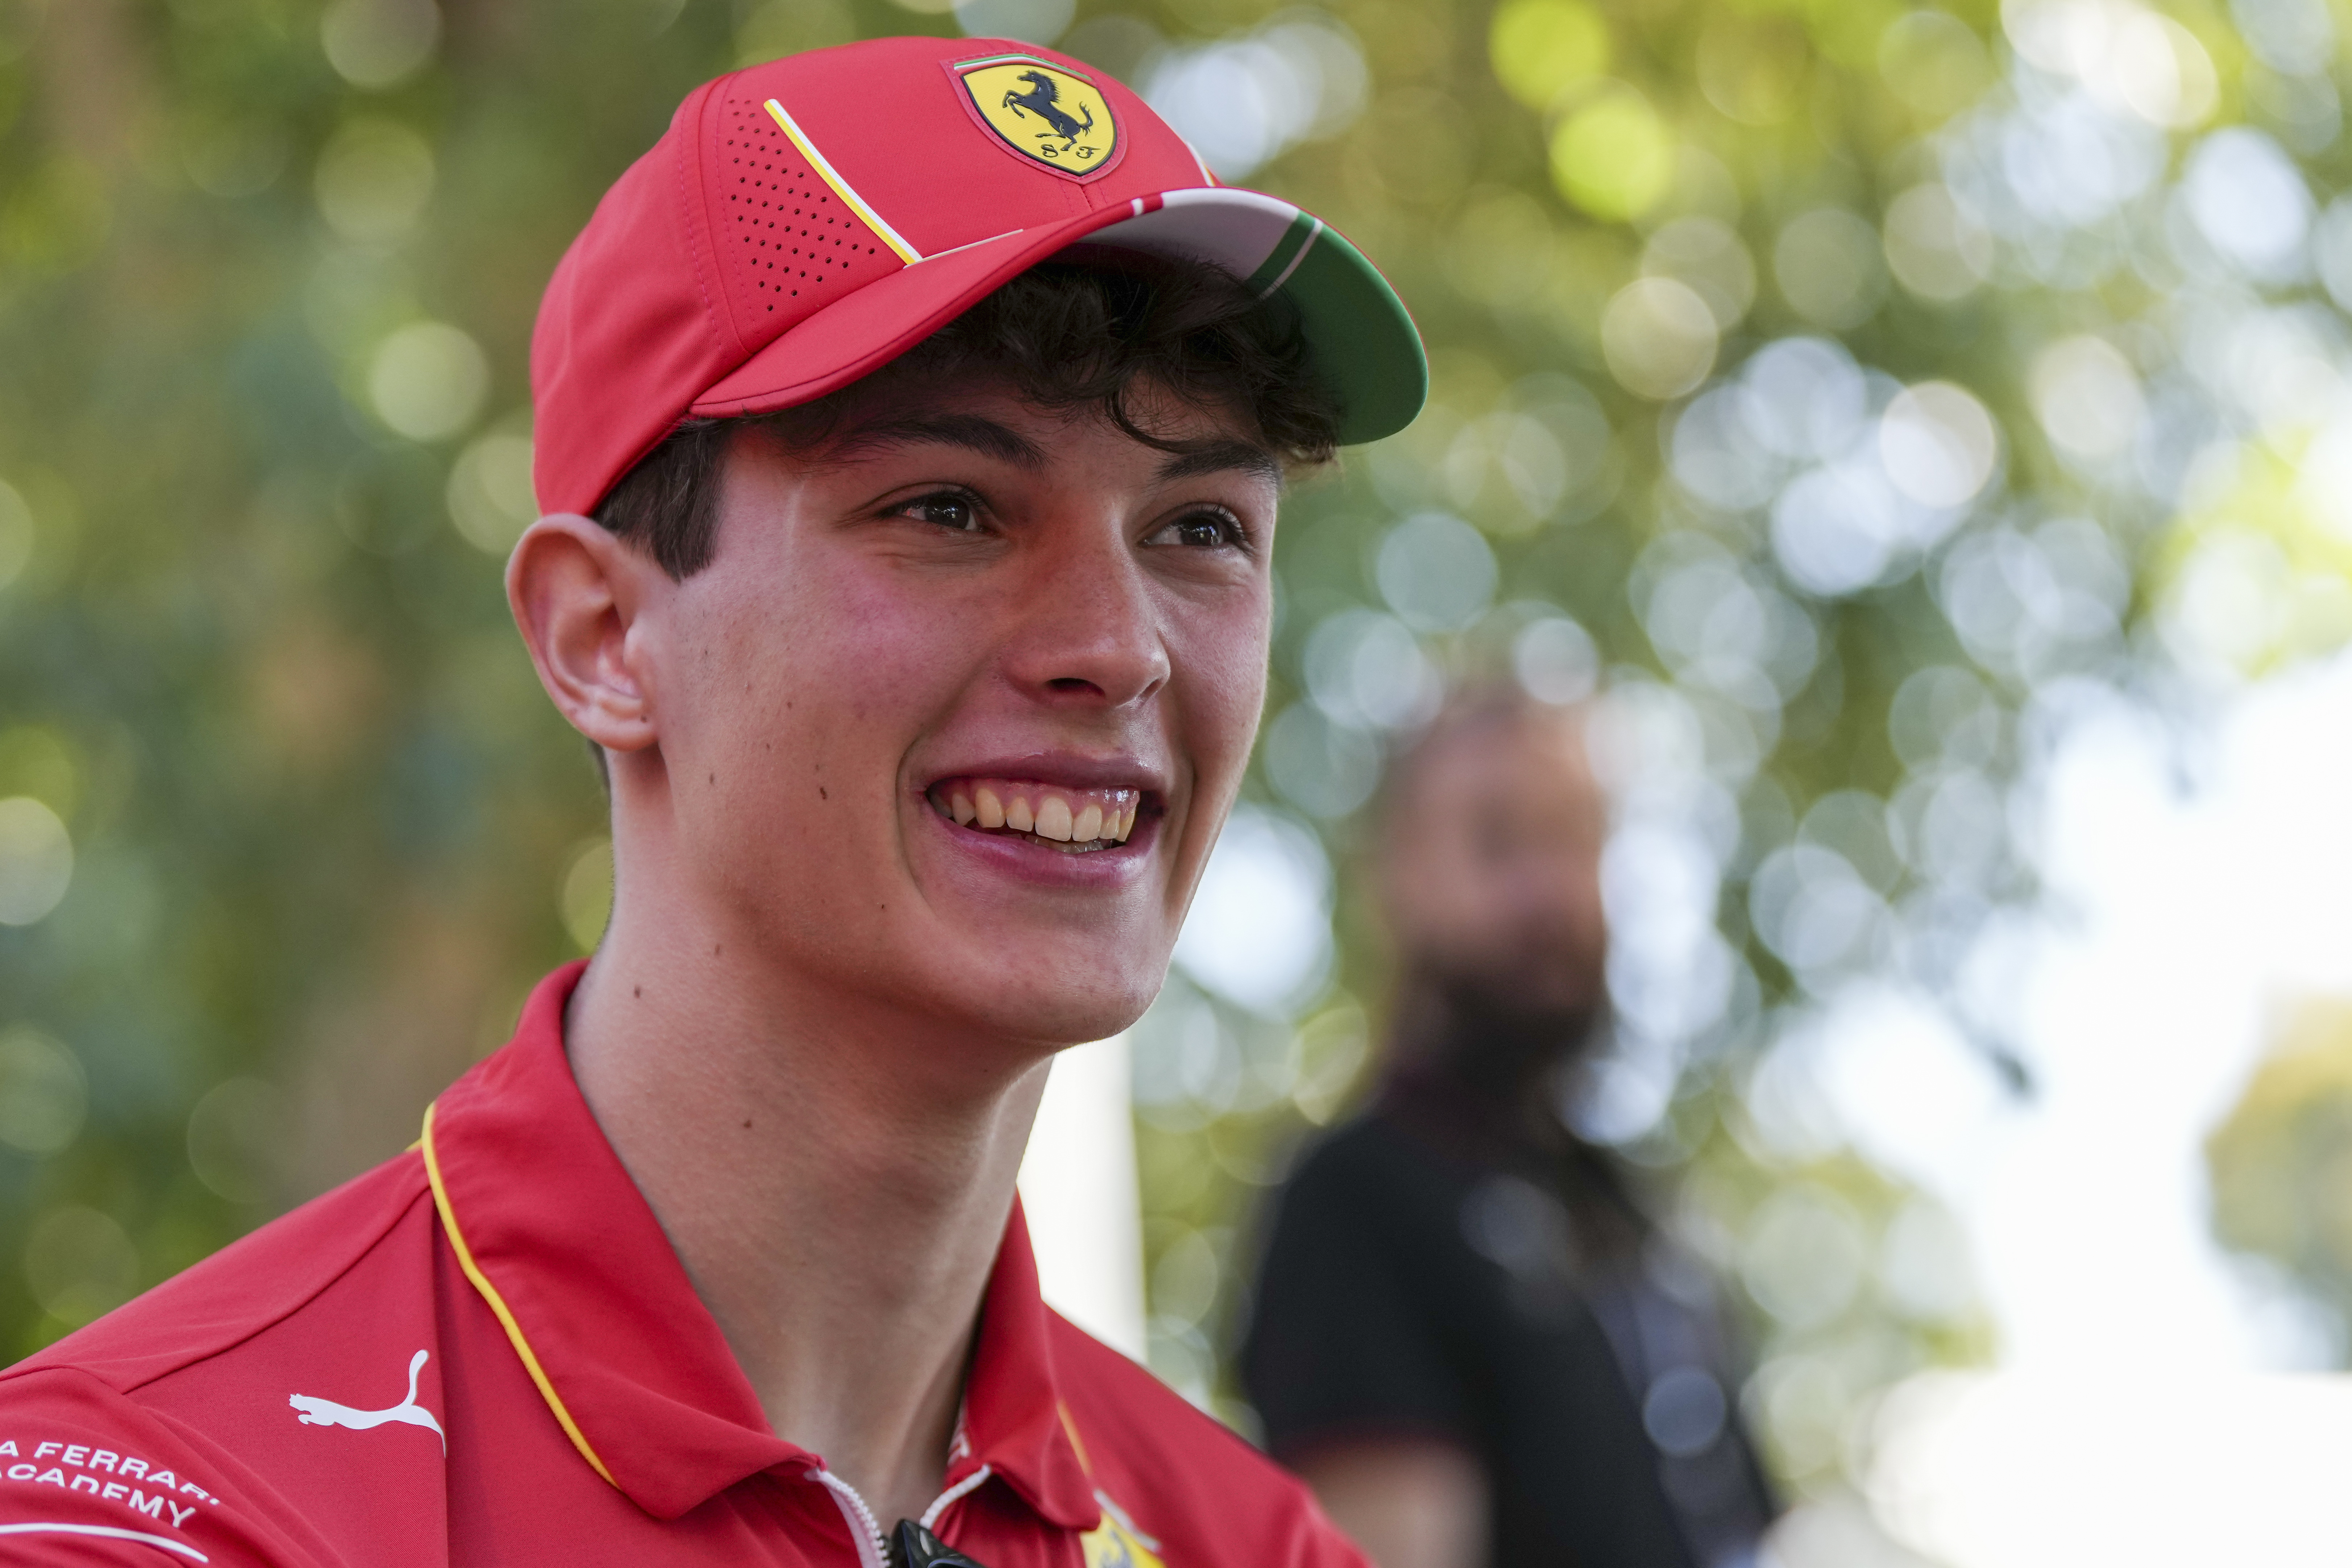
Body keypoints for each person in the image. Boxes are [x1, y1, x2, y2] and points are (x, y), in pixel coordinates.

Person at [0, 35, 1425, 1568]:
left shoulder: (1254, 1544)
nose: (1116, 646)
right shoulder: (148, 1502)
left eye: (1199, 526)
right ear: (602, 637)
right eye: (947, 507)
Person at [1242, 692, 1776, 1568]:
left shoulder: (1628, 1205)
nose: (1548, 892)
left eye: (1575, 840)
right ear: (1397, 875)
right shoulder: (1358, 1198)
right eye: (1496, 841)